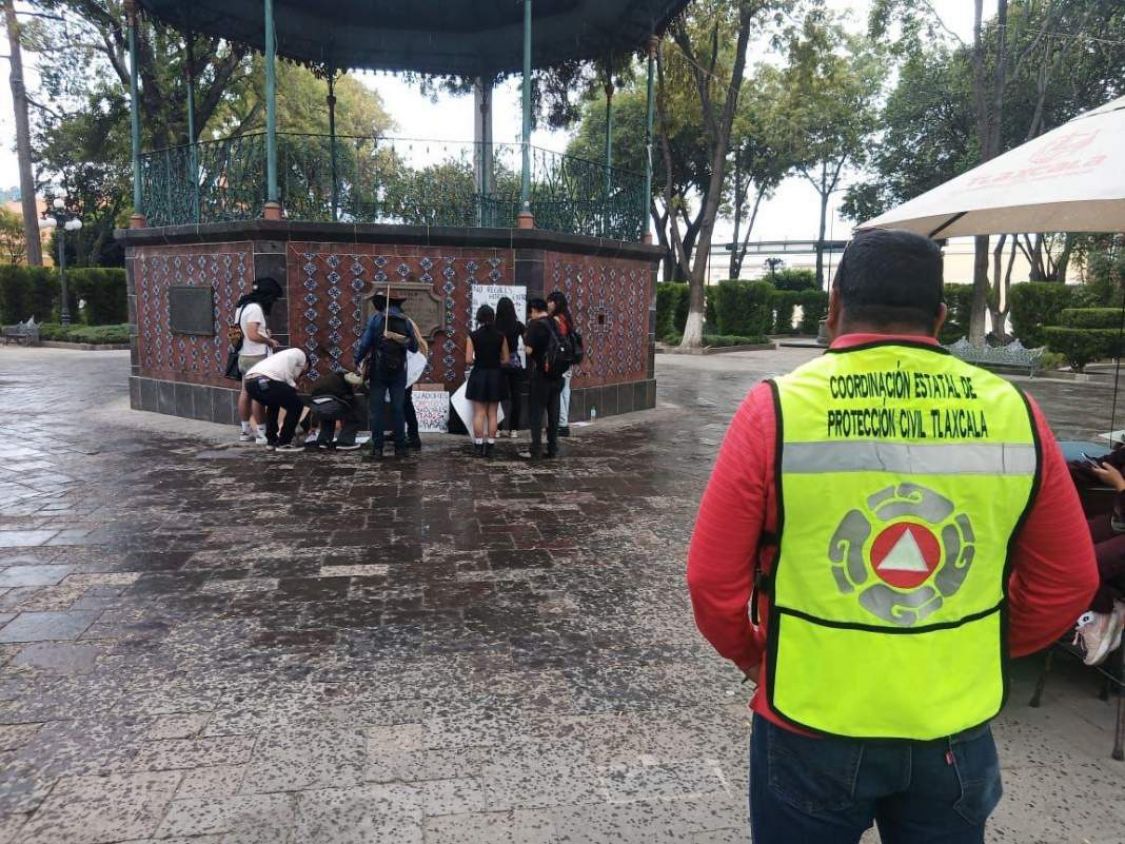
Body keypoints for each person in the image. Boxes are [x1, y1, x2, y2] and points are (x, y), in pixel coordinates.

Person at [686, 228, 1097, 844]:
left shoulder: (776, 409)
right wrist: (984, 647)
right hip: (953, 728)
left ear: (833, 306)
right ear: (940, 317)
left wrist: (753, 656)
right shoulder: (1014, 411)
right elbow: (1069, 579)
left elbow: (711, 579)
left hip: (807, 718)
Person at [1070, 452, 1125, 664]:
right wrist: (1050, 469)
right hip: (1119, 522)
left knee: (1084, 564)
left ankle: (1105, 612)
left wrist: (1119, 484)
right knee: (1065, 543)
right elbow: (1104, 464)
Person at [354, 291, 418, 460]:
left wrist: (357, 360)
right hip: (399, 371)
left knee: (377, 410)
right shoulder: (406, 321)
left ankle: (377, 449)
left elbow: (365, 344)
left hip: (378, 370)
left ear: (382, 304)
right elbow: (414, 347)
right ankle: (400, 448)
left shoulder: (375, 319)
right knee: (398, 409)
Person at [234, 277, 283, 444]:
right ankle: (262, 434)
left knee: (245, 392)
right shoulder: (255, 308)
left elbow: (240, 332)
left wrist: (263, 333)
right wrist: (269, 341)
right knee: (258, 395)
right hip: (257, 358)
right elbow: (253, 334)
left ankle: (245, 431)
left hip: (243, 356)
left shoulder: (242, 307)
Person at [521, 298, 564, 460]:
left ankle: (536, 449)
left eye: (530, 311)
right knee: (553, 414)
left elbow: (528, 350)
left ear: (534, 309)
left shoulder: (535, 325)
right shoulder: (555, 322)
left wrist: (525, 341)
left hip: (541, 375)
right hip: (557, 375)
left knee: (536, 414)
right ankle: (553, 448)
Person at [466, 304, 510, 458]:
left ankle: (478, 445)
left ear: (479, 318)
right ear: (493, 317)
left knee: (479, 413)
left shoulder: (473, 336)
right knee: (492, 413)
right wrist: (495, 360)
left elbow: (468, 360)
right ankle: (490, 445)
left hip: (479, 375)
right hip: (496, 376)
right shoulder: (501, 336)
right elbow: (506, 359)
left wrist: (478, 359)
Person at [243, 348, 308, 452]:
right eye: (304, 372)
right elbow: (289, 361)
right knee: (297, 406)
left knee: (273, 404)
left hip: (250, 383)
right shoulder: (299, 353)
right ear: (306, 365)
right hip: (265, 380)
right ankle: (284, 442)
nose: (301, 375)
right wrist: (292, 384)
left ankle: (271, 441)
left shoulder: (278, 359)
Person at [305, 369, 363, 451]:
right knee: (354, 415)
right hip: (331, 403)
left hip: (314, 405)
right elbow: (352, 400)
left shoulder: (327, 379)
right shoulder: (345, 377)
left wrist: (314, 425)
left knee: (327, 417)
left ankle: (323, 441)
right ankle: (345, 442)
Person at [496, 297, 526, 439]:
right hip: (514, 362)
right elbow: (527, 341)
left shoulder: (495, 326)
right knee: (516, 396)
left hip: (499, 363)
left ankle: (497, 428)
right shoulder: (518, 325)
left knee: (498, 397)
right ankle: (514, 429)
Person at [547, 290, 574, 436]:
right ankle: (564, 423)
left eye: (550, 301)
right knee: (565, 391)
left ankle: (562, 424)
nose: (548, 304)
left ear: (555, 303)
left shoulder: (557, 319)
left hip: (560, 360)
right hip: (568, 359)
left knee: (559, 391)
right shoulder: (567, 317)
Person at [403, 317, 429, 452]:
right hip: (407, 370)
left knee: (405, 403)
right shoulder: (408, 322)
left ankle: (412, 437)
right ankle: (411, 435)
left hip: (402, 370)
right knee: (405, 403)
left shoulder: (404, 322)